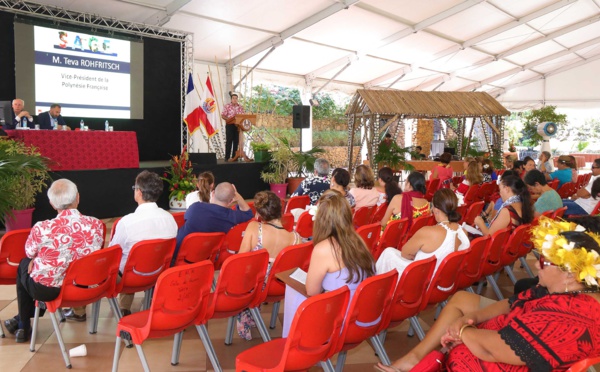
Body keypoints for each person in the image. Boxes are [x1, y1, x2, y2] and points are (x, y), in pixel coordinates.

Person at [376, 217, 600, 372]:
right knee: (462, 300)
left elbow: (495, 350)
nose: (538, 266)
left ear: (570, 274)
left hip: (496, 354)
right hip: (500, 339)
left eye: (544, 261)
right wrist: (465, 321)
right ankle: (414, 357)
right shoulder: (557, 289)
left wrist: (462, 332)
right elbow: (511, 304)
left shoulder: (570, 315)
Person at [3, 179, 104, 342]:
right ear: (78, 198)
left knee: (24, 265)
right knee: (29, 265)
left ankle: (23, 324)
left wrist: (34, 259)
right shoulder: (96, 225)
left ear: (52, 203)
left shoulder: (41, 228)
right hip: (85, 286)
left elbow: (29, 252)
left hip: (49, 290)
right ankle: (21, 320)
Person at [281, 190, 375, 337]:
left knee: (293, 289)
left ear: (321, 219)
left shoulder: (324, 248)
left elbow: (312, 292)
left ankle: (293, 342)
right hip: (363, 313)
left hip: (339, 319)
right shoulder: (358, 240)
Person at [106, 170, 178, 316]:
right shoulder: (170, 219)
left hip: (129, 279)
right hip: (158, 272)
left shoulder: (126, 222)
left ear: (138, 192)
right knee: (134, 258)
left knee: (121, 262)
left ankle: (123, 309)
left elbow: (112, 254)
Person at [237, 191, 301, 340]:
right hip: (279, 285)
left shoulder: (254, 228)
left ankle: (247, 316)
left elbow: (240, 260)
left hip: (255, 284)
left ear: (259, 213)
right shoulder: (296, 238)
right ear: (280, 210)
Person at [376, 189, 469, 277]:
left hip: (422, 278)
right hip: (445, 279)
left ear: (436, 210)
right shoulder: (464, 232)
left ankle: (380, 287)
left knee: (388, 252)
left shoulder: (428, 231)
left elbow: (405, 253)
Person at [174, 182, 253, 263]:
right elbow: (248, 213)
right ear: (230, 201)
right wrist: (237, 196)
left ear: (212, 193)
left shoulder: (196, 207)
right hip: (203, 258)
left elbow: (185, 217)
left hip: (177, 256)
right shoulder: (230, 216)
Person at [221, 93, 245, 161]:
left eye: (236, 98)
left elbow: (243, 116)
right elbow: (223, 115)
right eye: (233, 98)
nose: (235, 100)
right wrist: (228, 119)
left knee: (236, 141)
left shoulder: (240, 107)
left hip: (238, 126)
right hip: (230, 125)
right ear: (231, 99)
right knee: (229, 141)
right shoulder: (227, 106)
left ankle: (234, 157)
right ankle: (227, 157)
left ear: (237, 99)